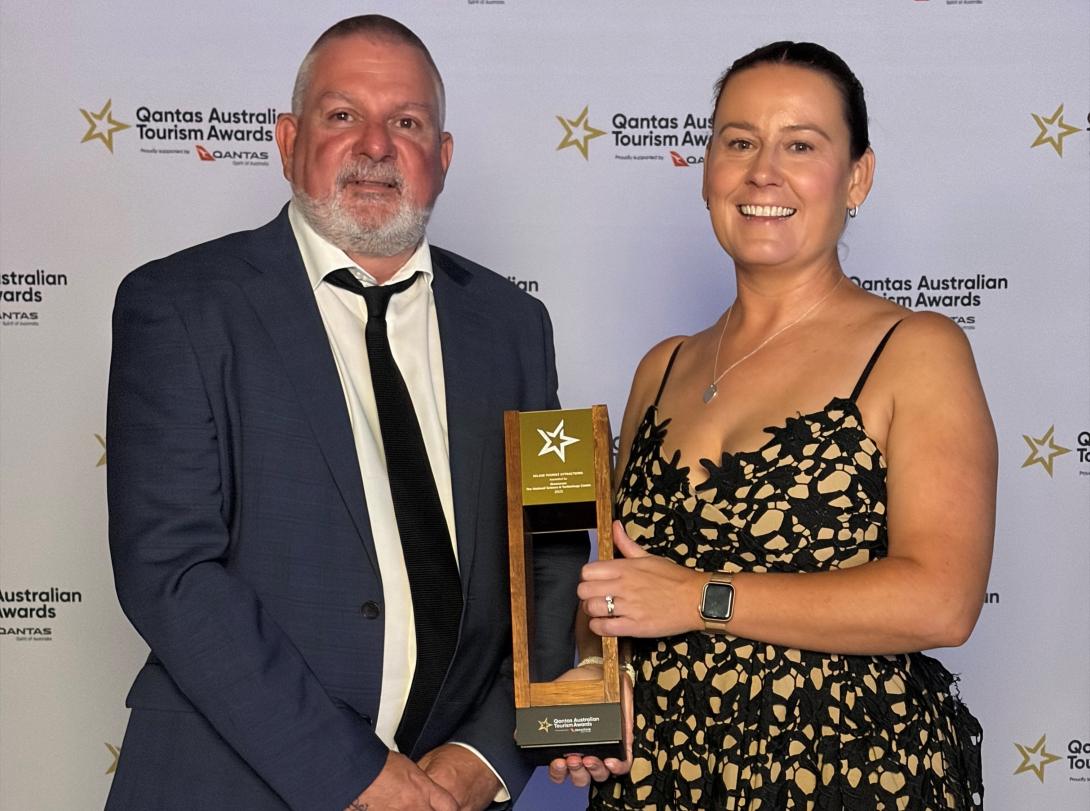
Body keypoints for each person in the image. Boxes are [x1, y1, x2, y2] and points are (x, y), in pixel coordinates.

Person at [106, 15, 582, 811]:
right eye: (341, 116)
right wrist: (357, 774)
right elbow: (171, 571)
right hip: (225, 785)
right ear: (289, 140)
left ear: (441, 156)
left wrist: (485, 756)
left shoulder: (511, 325)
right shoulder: (179, 305)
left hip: (448, 792)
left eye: (406, 122)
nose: (374, 146)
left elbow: (553, 554)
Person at [549, 41, 994, 809]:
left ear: (857, 177)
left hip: (845, 772)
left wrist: (701, 597)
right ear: (709, 171)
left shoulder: (916, 349)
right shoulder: (661, 369)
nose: (764, 170)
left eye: (800, 145)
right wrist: (593, 685)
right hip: (662, 779)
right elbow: (627, 584)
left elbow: (942, 602)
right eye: (740, 141)